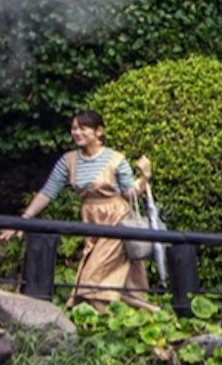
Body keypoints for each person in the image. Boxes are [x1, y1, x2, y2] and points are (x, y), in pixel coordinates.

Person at [24, 110, 158, 304]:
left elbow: (129, 193)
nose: (76, 132)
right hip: (91, 220)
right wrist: (25, 218)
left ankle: (101, 316)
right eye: (73, 128)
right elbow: (48, 192)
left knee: (93, 276)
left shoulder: (116, 159)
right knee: (113, 276)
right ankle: (126, 317)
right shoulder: (69, 160)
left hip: (117, 220)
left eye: (83, 128)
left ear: (99, 131)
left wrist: (145, 177)